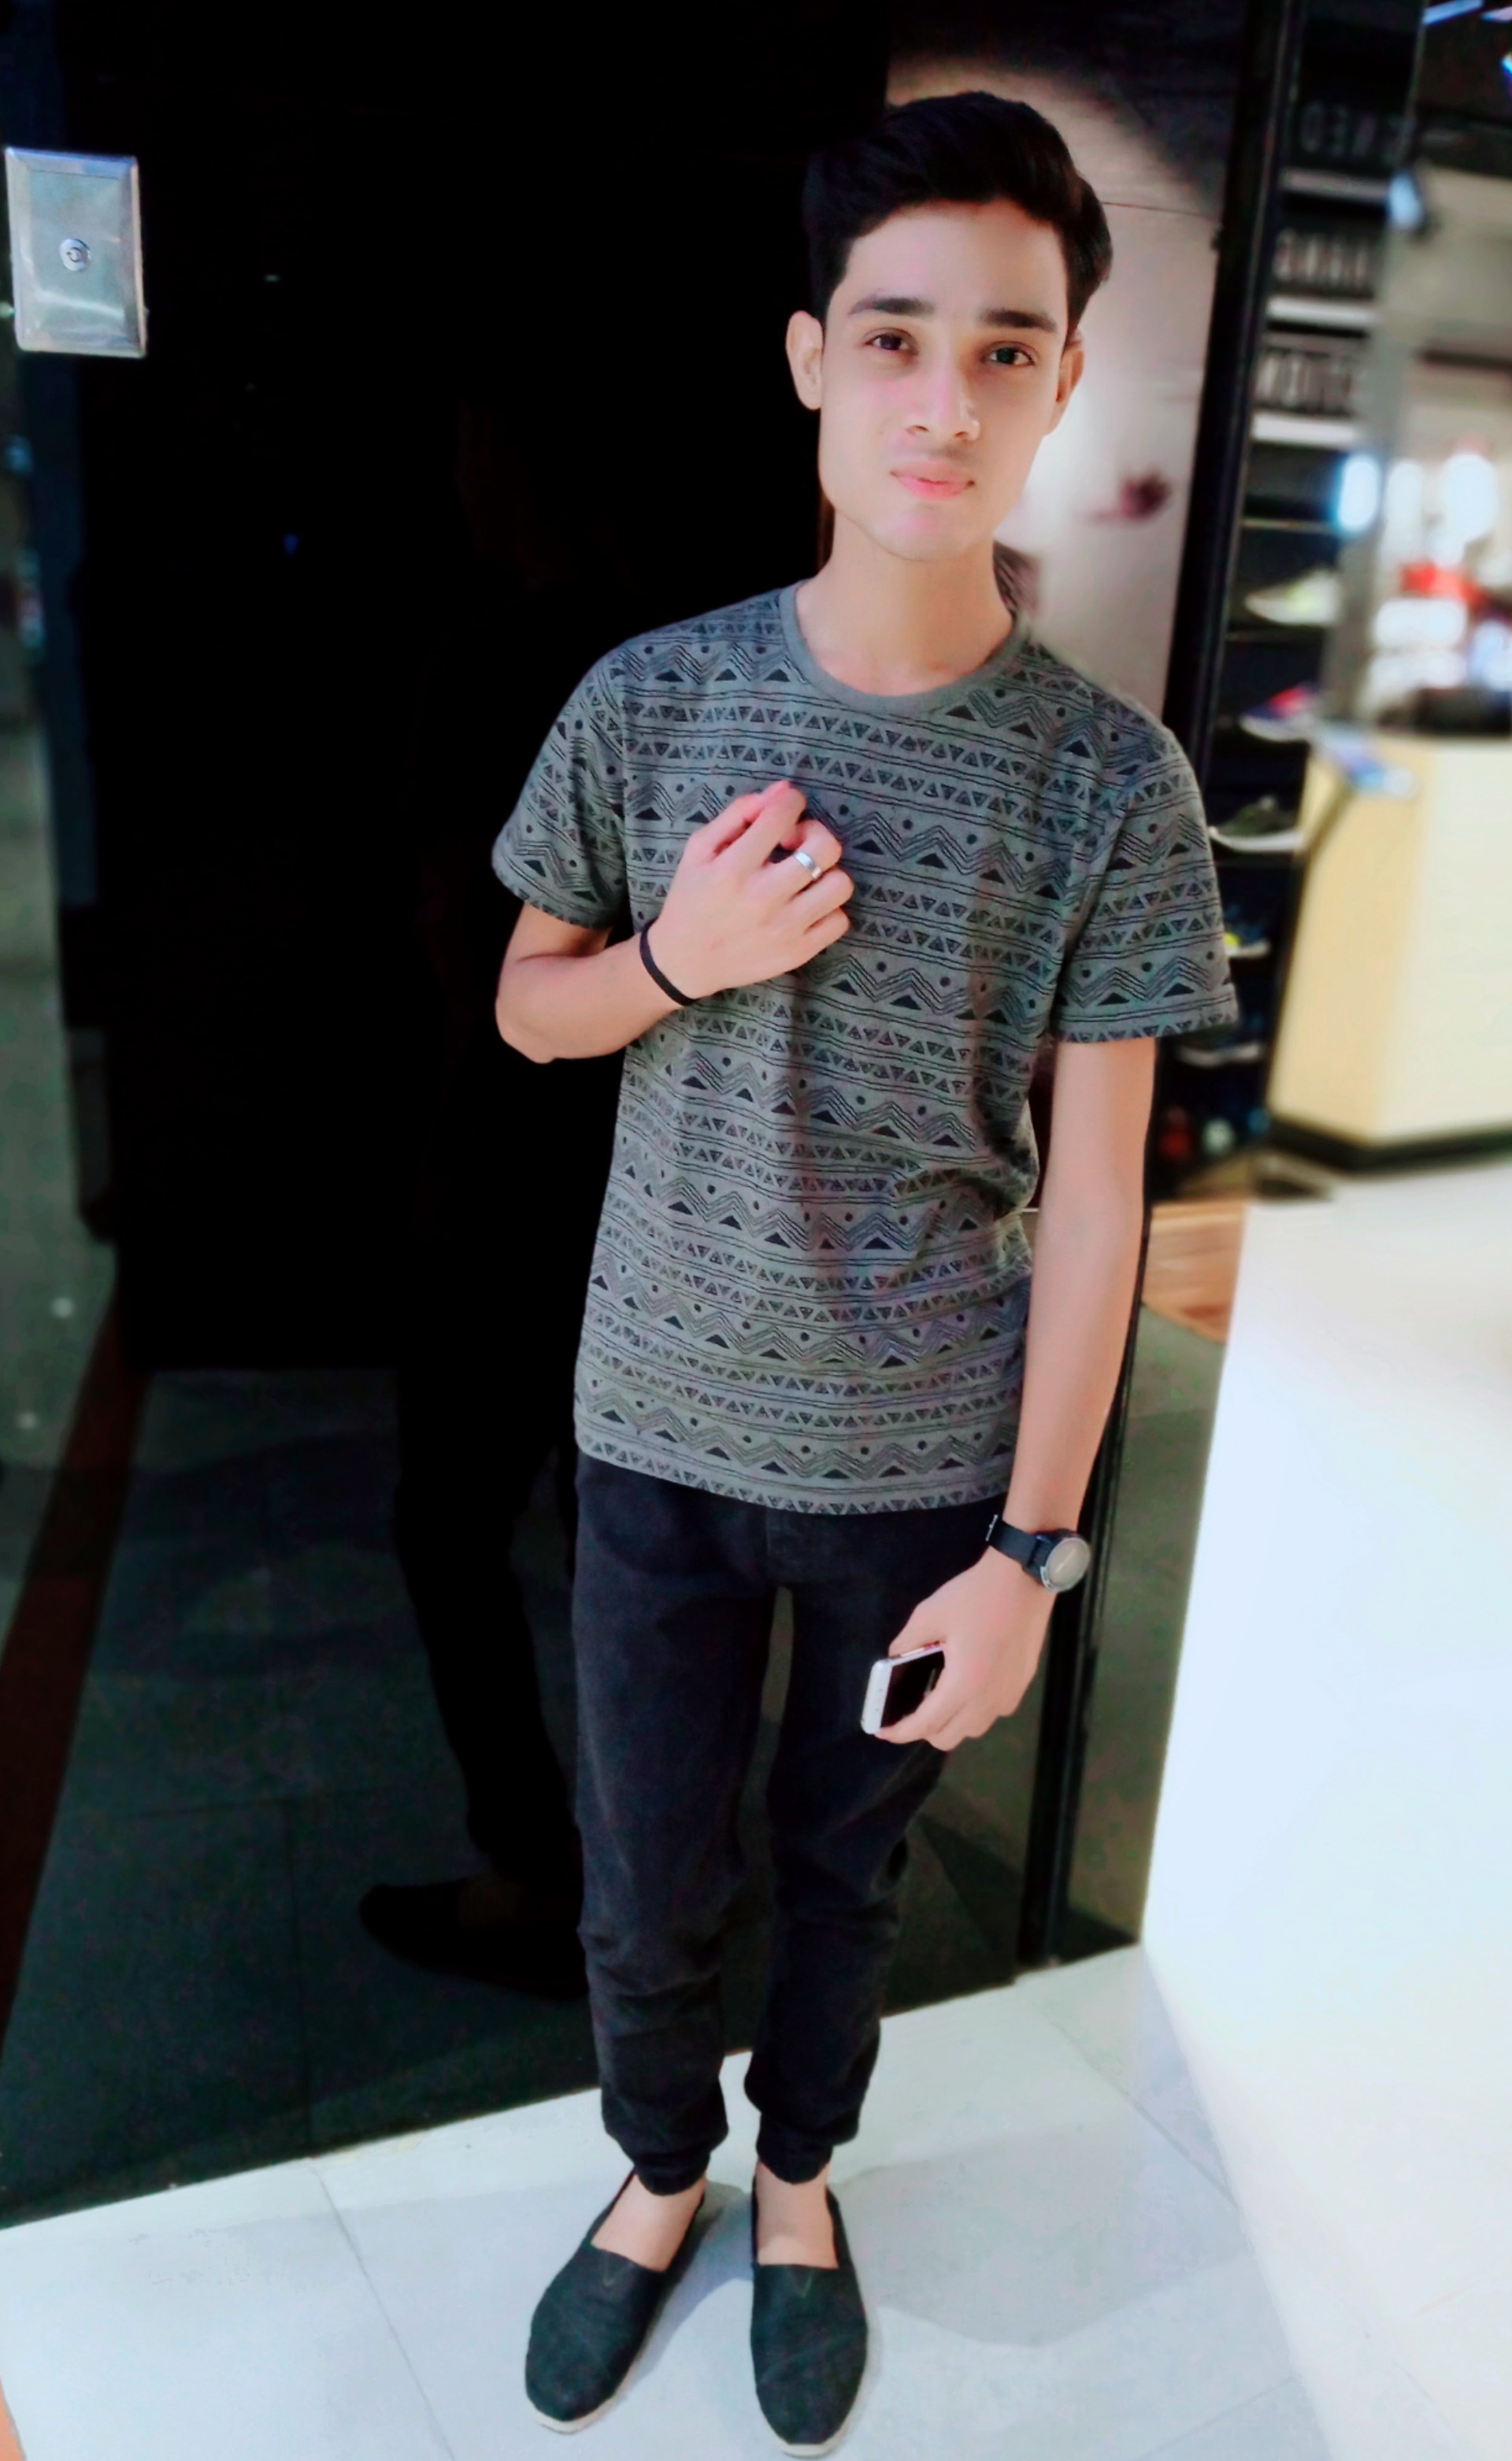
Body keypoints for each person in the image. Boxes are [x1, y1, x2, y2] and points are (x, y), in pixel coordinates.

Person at [491, 91, 1237, 2451]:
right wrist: (677, 960)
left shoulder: (1109, 785)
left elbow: (1101, 1199)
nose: (945, 398)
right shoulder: (652, 697)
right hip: (654, 1430)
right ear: (812, 358)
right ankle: (657, 2176)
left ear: (1062, 383)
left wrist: (1035, 1549)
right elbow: (527, 1006)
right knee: (644, 1882)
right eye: (895, 336)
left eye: (1004, 349)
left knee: (844, 1872)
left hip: (922, 1464)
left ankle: (798, 2181)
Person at [358, 395, 624, 1997]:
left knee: (449, 1527)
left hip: (515, 1153)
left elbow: (458, 930)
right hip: (651, 1171)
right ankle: (650, 1879)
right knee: (624, 1548)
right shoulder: (683, 661)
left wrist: (453, 1141)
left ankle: (535, 1871)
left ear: (507, 467)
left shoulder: (494, 662)